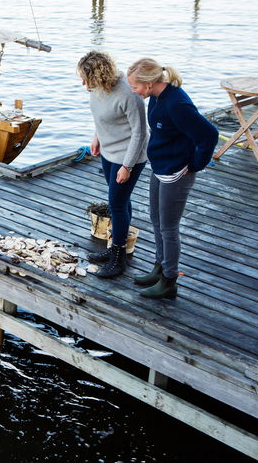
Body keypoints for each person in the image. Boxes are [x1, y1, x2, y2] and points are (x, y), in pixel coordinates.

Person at [127, 58, 218, 299]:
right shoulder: (156, 98)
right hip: (159, 167)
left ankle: (169, 280)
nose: (133, 91)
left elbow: (209, 135)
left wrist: (196, 165)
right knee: (156, 220)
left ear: (148, 84)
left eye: (134, 86)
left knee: (169, 228)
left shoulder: (177, 104)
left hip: (176, 173)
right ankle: (159, 267)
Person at [78, 51, 148, 278]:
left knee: (116, 204)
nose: (82, 82)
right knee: (120, 200)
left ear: (98, 75)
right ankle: (116, 248)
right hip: (108, 152)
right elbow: (99, 117)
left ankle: (118, 259)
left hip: (129, 156)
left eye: (85, 77)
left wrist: (127, 166)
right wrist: (96, 137)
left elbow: (139, 133)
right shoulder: (98, 88)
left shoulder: (129, 94)